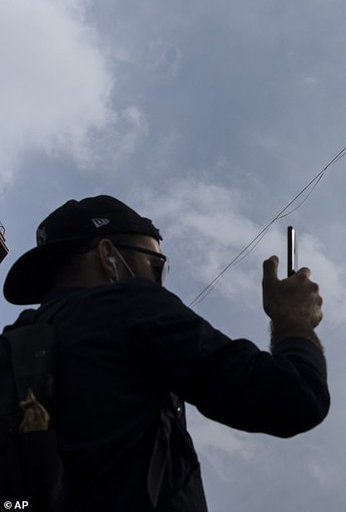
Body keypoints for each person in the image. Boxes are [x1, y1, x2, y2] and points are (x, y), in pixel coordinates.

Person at [2, 195, 329, 510]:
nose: (161, 285)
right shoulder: (130, 305)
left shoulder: (15, 347)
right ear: (109, 256)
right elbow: (295, 397)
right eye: (156, 267)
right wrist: (294, 318)